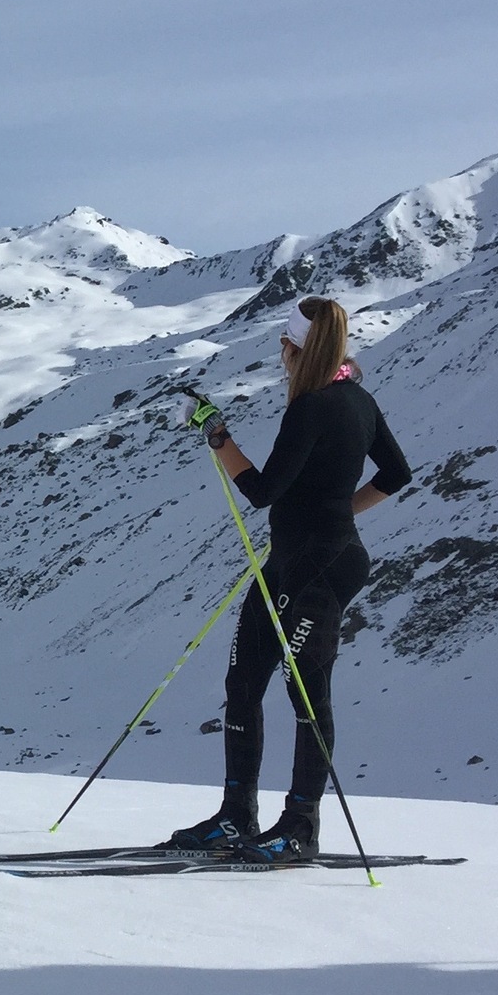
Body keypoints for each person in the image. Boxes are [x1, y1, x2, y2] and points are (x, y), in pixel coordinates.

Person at [172, 296, 412, 859]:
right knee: (245, 682)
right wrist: (336, 515)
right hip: (304, 557)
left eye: (283, 347)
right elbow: (396, 473)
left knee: (303, 691)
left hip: (318, 567)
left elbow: (262, 491)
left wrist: (215, 432)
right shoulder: (358, 399)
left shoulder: (313, 407)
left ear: (292, 347)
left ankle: (299, 826)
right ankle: (237, 816)